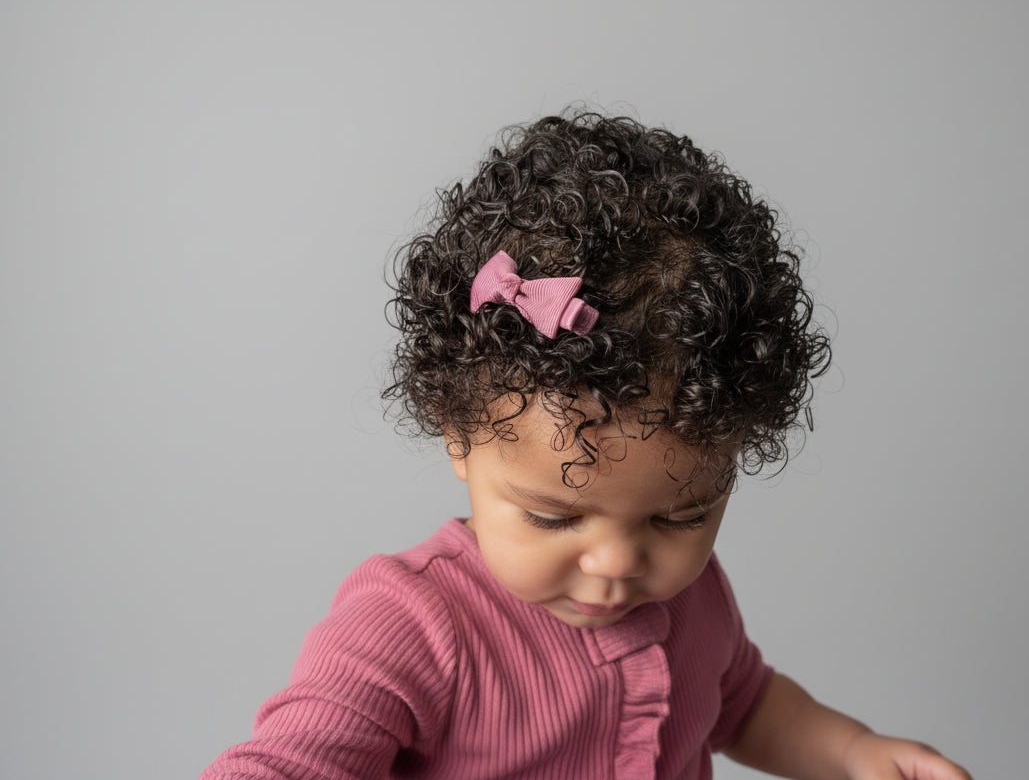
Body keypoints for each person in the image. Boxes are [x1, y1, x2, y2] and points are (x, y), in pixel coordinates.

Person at [200, 110, 972, 780]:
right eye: (554, 517)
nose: (618, 564)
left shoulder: (695, 601)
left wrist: (852, 754)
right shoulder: (413, 624)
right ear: (458, 436)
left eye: (679, 519)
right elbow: (296, 757)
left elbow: (743, 702)